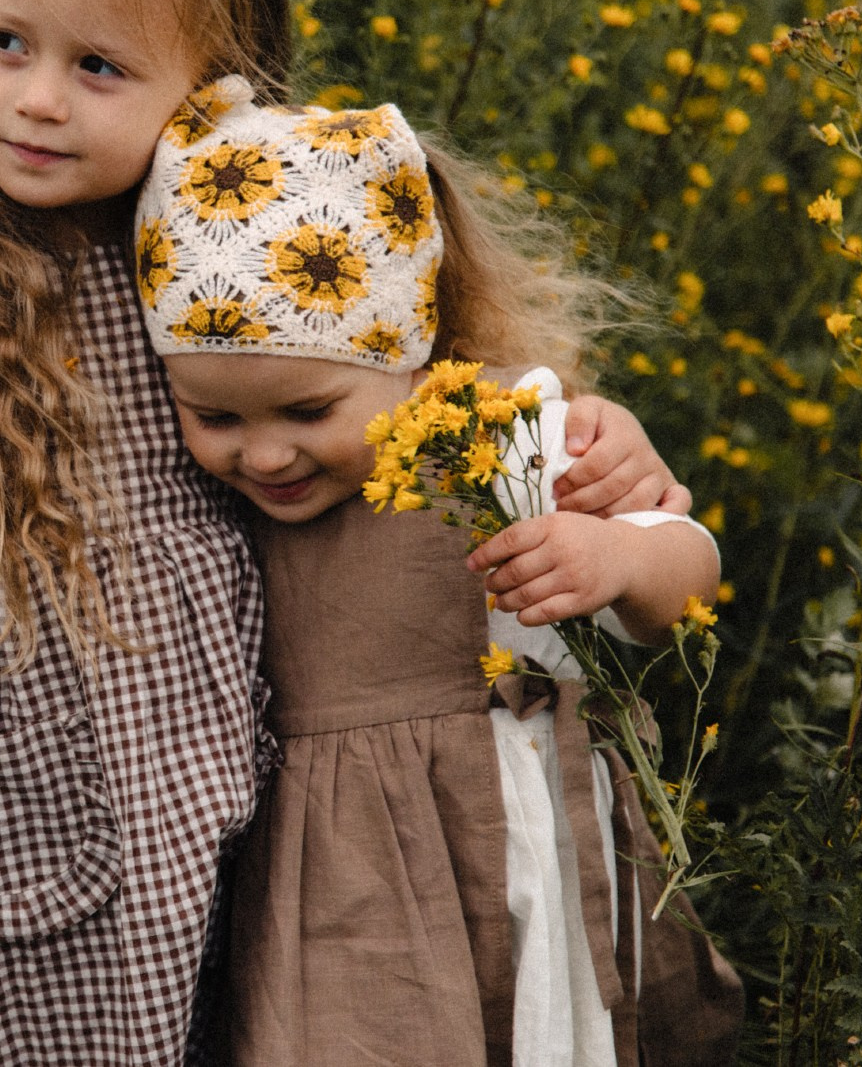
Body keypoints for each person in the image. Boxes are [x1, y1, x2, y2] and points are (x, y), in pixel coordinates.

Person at [0, 0, 683, 1067]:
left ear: (214, 90)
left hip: (209, 864)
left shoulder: (218, 265)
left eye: (98, 67)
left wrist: (590, 441)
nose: (35, 100)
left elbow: (420, 396)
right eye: (4, 41)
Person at [134, 75, 743, 1066]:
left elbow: (690, 568)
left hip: (501, 849)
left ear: (409, 358)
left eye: (305, 412)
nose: (265, 455)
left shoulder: (485, 434)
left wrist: (619, 556)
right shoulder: (204, 497)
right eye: (215, 418)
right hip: (321, 890)